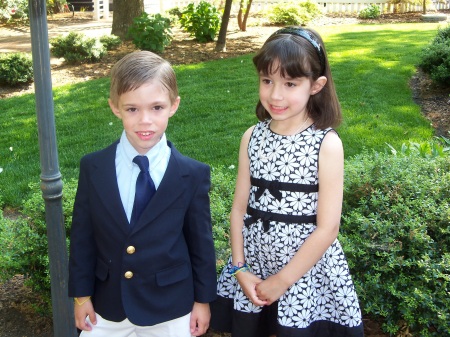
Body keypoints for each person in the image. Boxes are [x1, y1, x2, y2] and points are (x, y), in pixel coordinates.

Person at [210, 27, 364, 337]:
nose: (275, 95)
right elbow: (239, 209)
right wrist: (240, 269)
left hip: (303, 274)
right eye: (267, 81)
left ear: (316, 85)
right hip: (252, 268)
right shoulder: (252, 137)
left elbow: (328, 228)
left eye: (290, 83)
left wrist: (282, 281)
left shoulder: (326, 144)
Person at [68, 50, 217, 337]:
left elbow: (201, 244)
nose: (145, 120)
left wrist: (203, 301)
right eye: (132, 109)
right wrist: (82, 295)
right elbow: (83, 237)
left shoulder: (192, 174)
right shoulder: (94, 167)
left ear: (174, 105)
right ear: (115, 107)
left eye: (157, 108)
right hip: (107, 305)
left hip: (171, 306)